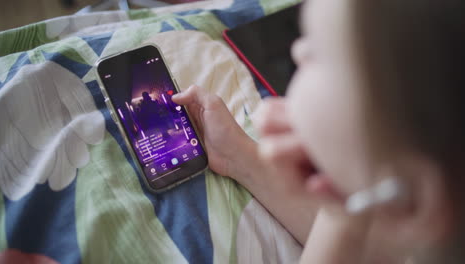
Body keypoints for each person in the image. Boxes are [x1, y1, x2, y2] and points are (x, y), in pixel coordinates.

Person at [173, 0, 465, 263]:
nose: (298, 49)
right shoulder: (417, 206)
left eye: (316, 52)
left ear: (414, 200)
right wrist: (239, 155)